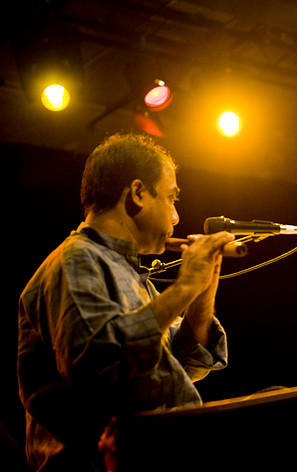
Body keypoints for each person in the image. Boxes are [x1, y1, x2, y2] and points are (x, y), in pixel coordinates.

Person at [17, 133, 236, 471]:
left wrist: (203, 289)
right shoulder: (76, 260)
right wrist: (185, 285)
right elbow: (97, 365)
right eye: (171, 198)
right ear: (137, 194)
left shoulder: (130, 274)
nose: (177, 217)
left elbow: (191, 366)